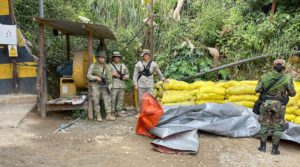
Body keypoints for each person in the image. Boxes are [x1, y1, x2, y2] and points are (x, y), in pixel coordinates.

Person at [256, 59, 296, 155]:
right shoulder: (287, 78)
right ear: (283, 67)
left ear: (273, 66)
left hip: (266, 104)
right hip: (279, 105)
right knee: (277, 127)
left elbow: (257, 90)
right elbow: (292, 93)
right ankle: (274, 150)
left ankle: (262, 147)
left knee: (264, 125)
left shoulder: (264, 76)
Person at [133, 49, 169, 115]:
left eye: (147, 55)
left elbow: (158, 72)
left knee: (151, 98)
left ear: (149, 56)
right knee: (141, 99)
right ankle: (141, 112)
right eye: (144, 55)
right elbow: (135, 75)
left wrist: (163, 79)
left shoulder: (153, 64)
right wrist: (135, 84)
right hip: (141, 84)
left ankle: (150, 112)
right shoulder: (138, 64)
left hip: (150, 84)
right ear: (142, 55)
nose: (145, 56)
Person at [87, 51, 116, 122]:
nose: (101, 59)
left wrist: (109, 86)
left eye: (103, 58)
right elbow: (88, 75)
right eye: (100, 58)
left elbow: (110, 78)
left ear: (105, 59)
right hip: (95, 85)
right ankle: (98, 115)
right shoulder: (93, 66)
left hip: (105, 85)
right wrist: (96, 77)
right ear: (97, 58)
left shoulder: (107, 67)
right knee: (96, 99)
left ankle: (108, 115)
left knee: (107, 99)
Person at [110, 51, 129, 117]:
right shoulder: (109, 66)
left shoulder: (123, 66)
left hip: (121, 84)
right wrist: (111, 74)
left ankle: (119, 111)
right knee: (113, 99)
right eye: (115, 57)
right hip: (114, 84)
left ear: (119, 58)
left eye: (118, 57)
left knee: (120, 99)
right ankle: (112, 112)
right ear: (113, 58)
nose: (117, 58)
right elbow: (104, 74)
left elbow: (127, 74)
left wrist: (125, 77)